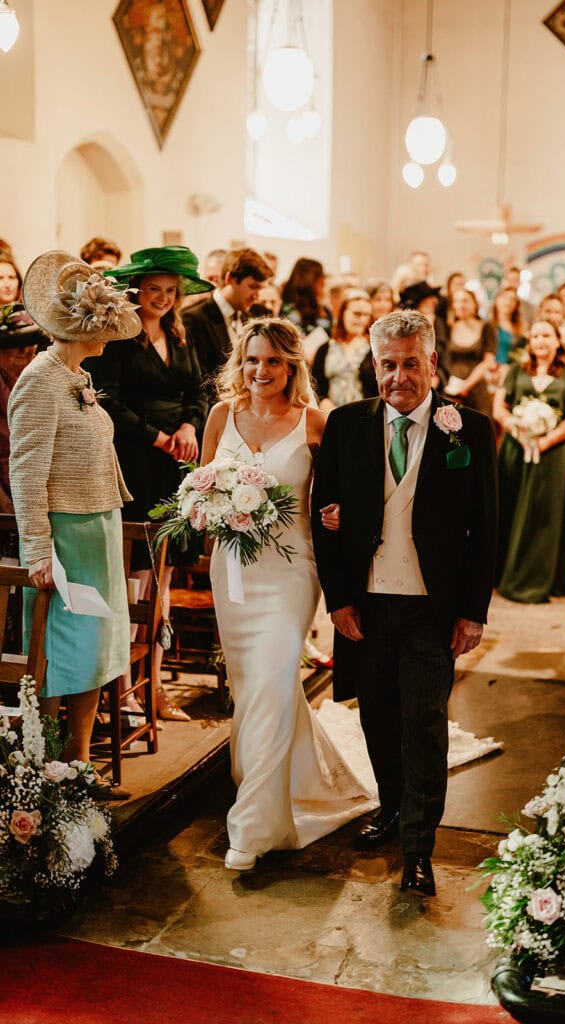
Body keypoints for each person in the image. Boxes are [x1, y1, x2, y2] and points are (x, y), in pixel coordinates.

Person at [311, 309, 498, 896]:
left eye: (410, 363)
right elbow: (325, 519)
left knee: (424, 723)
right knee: (377, 717)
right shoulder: (346, 425)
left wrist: (473, 611)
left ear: (433, 363)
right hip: (367, 605)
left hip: (431, 608)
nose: (399, 377)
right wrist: (337, 601)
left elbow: (488, 528)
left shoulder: (469, 430)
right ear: (373, 366)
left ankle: (420, 848)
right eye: (387, 365)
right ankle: (390, 808)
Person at [202, 318, 375, 871]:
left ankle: (251, 828)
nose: (261, 371)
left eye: (273, 361)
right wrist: (211, 509)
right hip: (232, 571)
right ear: (241, 362)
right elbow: (200, 488)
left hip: (291, 569)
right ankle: (268, 778)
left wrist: (341, 512)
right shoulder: (220, 416)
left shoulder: (315, 423)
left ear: (292, 366)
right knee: (253, 688)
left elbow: (343, 495)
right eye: (252, 359)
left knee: (276, 680)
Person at [9, 250, 141, 785]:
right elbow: (26, 472)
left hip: (98, 528)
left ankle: (80, 766)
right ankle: (46, 771)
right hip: (65, 537)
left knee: (97, 652)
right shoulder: (40, 380)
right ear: (80, 328)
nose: (109, 338)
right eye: (103, 328)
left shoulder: (74, 374)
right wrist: (38, 549)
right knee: (60, 656)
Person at [88, 246, 210, 721]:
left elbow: (198, 389)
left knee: (164, 578)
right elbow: (107, 401)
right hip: (133, 463)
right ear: (136, 291)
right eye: (153, 290)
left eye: (169, 291)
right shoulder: (119, 337)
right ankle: (124, 688)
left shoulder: (180, 335)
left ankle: (155, 684)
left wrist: (188, 428)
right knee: (135, 579)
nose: (161, 298)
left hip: (174, 468)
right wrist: (156, 435)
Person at [494, 319, 565, 603]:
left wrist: (547, 440)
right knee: (510, 507)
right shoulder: (515, 371)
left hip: (554, 453)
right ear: (529, 342)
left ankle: (541, 580)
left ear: (559, 341)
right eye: (535, 336)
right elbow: (499, 407)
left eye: (547, 334)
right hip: (516, 448)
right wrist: (517, 430)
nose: (540, 340)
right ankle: (503, 573)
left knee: (547, 513)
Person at [182, 247, 271, 392]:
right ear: (230, 279)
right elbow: (200, 381)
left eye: (260, 289)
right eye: (253, 287)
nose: (257, 296)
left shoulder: (250, 316)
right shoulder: (194, 318)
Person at [0, 305, 43, 514]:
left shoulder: (37, 380)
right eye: (17, 347)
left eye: (31, 347)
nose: (25, 354)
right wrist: (6, 508)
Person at [435, 287, 496, 416]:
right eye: (456, 301)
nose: (460, 305)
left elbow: (488, 361)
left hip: (476, 389)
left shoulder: (486, 328)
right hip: (451, 389)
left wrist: (466, 385)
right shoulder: (448, 327)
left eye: (465, 301)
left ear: (475, 304)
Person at [311, 290, 375, 411]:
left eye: (366, 315)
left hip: (363, 415)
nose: (362, 319)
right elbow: (315, 385)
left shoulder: (374, 349)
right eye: (357, 314)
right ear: (343, 313)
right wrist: (323, 401)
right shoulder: (325, 348)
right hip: (330, 414)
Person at [486, 285, 526, 372]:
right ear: (496, 300)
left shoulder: (521, 327)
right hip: (494, 372)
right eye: (504, 297)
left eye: (512, 299)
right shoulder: (488, 326)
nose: (508, 302)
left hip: (515, 371)